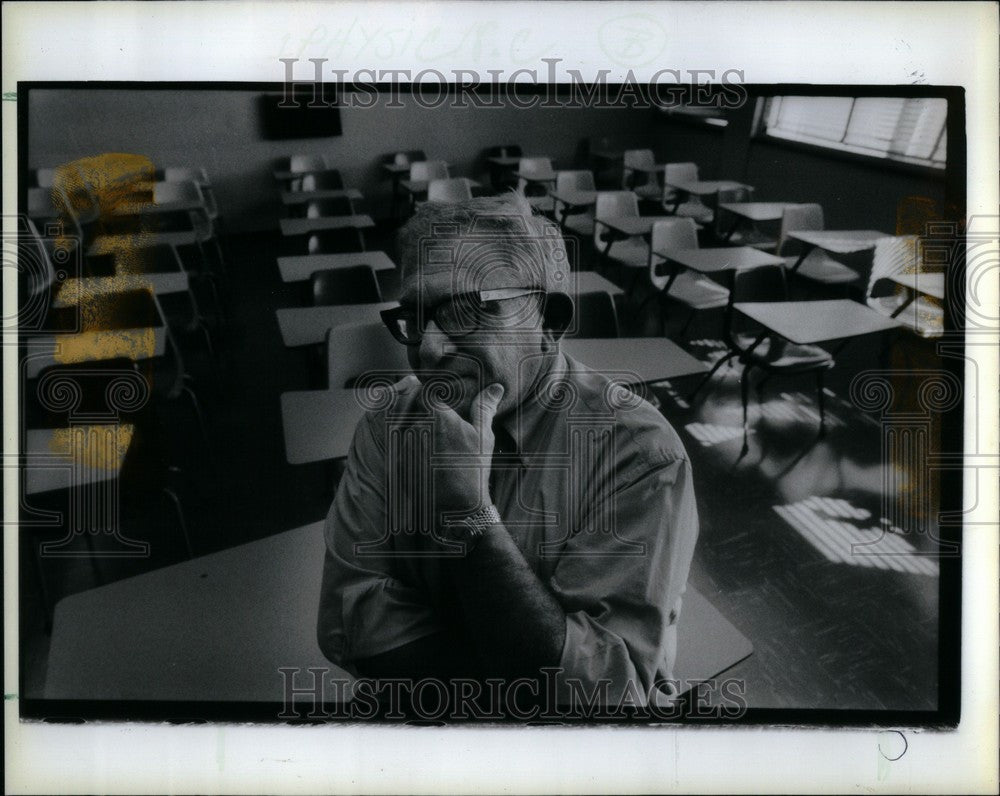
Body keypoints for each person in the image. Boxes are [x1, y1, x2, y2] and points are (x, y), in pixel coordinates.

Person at [317, 194, 699, 716]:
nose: (428, 349)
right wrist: (520, 683)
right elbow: (356, 619)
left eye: (465, 311)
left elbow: (605, 694)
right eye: (414, 317)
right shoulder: (388, 426)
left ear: (549, 319)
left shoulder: (640, 456)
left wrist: (471, 517)